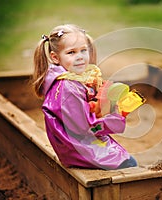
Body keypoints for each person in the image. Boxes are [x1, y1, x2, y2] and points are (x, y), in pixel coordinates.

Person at [32, 24, 137, 170]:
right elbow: (86, 128)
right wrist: (117, 115)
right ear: (55, 57)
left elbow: (82, 115)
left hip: (74, 145)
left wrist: (105, 102)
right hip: (80, 149)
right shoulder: (68, 88)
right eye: (71, 52)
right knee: (130, 164)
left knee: (126, 158)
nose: (80, 57)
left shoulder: (71, 79)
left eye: (83, 50)